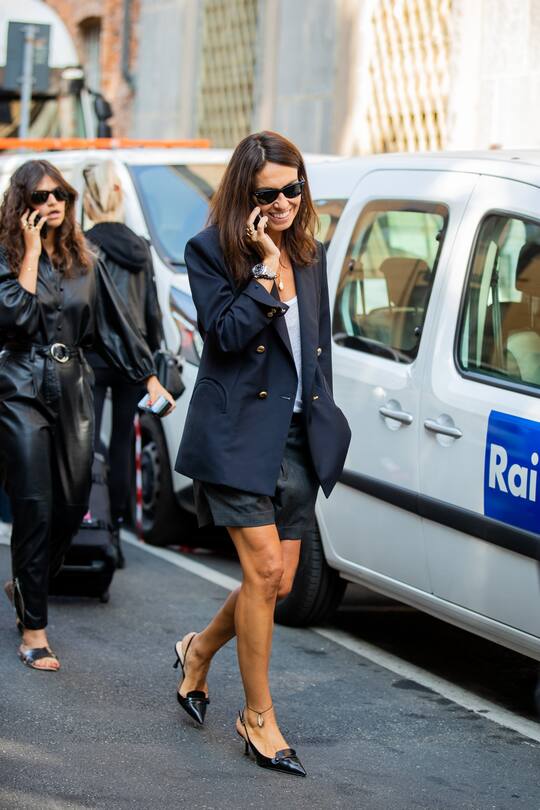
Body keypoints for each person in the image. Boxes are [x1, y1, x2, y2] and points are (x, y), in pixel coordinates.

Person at [174, 131, 351, 776]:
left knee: (271, 583)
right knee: (264, 568)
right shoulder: (212, 252)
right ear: (244, 194)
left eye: (293, 189)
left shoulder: (313, 254)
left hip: (298, 435)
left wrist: (327, 411)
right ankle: (258, 717)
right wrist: (260, 265)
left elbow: (316, 347)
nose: (283, 203)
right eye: (268, 193)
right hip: (237, 434)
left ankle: (197, 651)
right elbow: (222, 335)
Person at [0, 159, 174, 671]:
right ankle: (35, 628)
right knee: (34, 503)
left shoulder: (87, 261)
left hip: (74, 385)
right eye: (41, 196)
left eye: (61, 195)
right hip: (19, 386)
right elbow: (14, 319)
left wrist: (148, 377)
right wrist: (31, 254)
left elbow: (116, 328)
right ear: (22, 205)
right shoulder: (8, 256)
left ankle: (24, 584)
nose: (53, 202)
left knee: (74, 504)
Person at [83, 161, 164, 565]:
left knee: (87, 442)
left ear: (88, 198)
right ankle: (115, 529)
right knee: (121, 444)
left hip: (92, 356)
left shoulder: (82, 245)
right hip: (133, 359)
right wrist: (151, 359)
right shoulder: (140, 247)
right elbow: (151, 310)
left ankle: (92, 526)